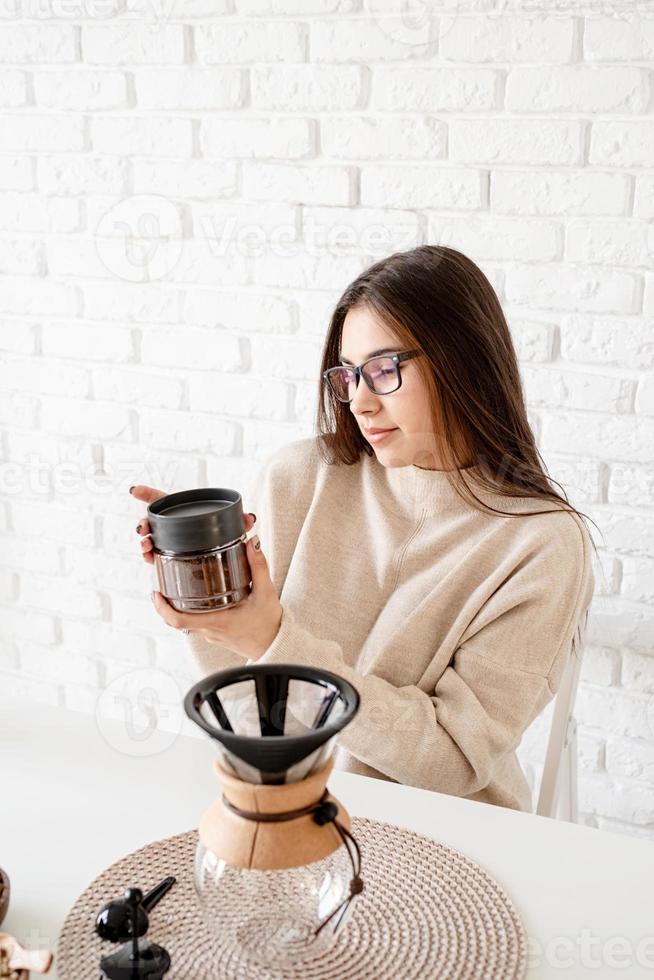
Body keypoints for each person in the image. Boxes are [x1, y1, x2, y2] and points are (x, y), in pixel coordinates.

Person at [131, 245, 599, 812]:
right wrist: (208, 586)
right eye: (348, 376)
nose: (359, 402)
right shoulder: (299, 477)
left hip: (445, 832)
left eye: (383, 370)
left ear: (462, 359)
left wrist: (273, 640)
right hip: (284, 806)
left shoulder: (539, 543)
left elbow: (455, 759)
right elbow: (245, 705)